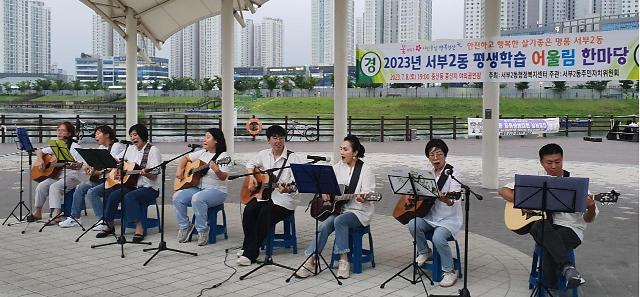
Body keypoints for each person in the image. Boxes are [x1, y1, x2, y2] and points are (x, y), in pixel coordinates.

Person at [498, 143, 597, 290]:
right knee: (541, 227)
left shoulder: (576, 185)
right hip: (544, 225)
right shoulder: (536, 180)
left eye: (558, 162)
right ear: (541, 162)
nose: (554, 166)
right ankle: (567, 269)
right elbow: (503, 190)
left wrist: (591, 206)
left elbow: (589, 219)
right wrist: (523, 202)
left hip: (571, 230)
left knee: (547, 241)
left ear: (563, 160)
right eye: (549, 162)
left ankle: (551, 286)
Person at [294, 134, 376, 279]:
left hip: (359, 212)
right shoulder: (337, 168)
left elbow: (370, 193)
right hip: (340, 209)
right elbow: (328, 187)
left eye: (345, 149)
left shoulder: (365, 169)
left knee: (340, 221)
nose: (342, 152)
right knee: (324, 226)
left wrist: (363, 198)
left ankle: (344, 260)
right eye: (341, 149)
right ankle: (310, 261)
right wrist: (325, 193)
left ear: (355, 152)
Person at [237, 125, 301, 266]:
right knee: (249, 210)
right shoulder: (263, 154)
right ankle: (247, 246)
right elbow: (250, 163)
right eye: (275, 138)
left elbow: (297, 185)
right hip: (265, 196)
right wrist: (253, 177)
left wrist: (288, 189)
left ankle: (250, 254)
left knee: (265, 212)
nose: (278, 141)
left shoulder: (293, 158)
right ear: (268, 140)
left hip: (284, 201)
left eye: (281, 138)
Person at [404, 139, 462, 287]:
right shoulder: (426, 172)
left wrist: (446, 199)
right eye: (432, 155)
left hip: (449, 219)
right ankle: (424, 251)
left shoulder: (452, 173)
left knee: (438, 237)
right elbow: (414, 189)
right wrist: (409, 194)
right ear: (428, 157)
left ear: (445, 155)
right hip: (430, 216)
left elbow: (454, 200)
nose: (436, 158)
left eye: (439, 154)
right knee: (412, 224)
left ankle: (449, 271)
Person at [96, 124, 161, 242]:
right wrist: (118, 170)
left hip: (149, 188)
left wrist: (147, 173)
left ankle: (139, 228)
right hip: (133, 185)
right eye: (131, 136)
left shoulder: (152, 150)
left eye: (135, 135)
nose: (132, 138)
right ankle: (109, 224)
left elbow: (155, 173)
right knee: (112, 193)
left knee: (129, 197)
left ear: (142, 135)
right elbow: (117, 161)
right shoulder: (130, 149)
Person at [59, 125, 124, 229]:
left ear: (107, 135)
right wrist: (90, 168)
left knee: (92, 192)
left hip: (113, 181)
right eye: (96, 134)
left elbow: (114, 166)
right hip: (103, 179)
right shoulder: (102, 147)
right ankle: (75, 218)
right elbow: (99, 165)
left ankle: (102, 220)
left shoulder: (116, 146)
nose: (96, 136)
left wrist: (98, 171)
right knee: (80, 187)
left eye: (98, 133)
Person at [173, 128, 230, 246]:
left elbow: (224, 177)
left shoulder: (223, 156)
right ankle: (185, 226)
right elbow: (184, 158)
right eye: (205, 137)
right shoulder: (202, 152)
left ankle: (203, 230)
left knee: (197, 198)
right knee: (177, 197)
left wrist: (217, 171)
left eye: (208, 137)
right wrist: (180, 170)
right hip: (198, 188)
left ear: (216, 141)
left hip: (217, 191)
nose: (205, 139)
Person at [27, 121, 84, 225]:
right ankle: (38, 212)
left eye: (62, 131)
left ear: (69, 134)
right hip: (57, 175)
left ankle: (56, 215)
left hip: (72, 176)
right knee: (41, 186)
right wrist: (40, 160)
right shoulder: (57, 145)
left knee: (54, 187)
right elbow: (40, 151)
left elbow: (79, 165)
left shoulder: (75, 147)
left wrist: (73, 165)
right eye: (58, 130)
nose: (59, 133)